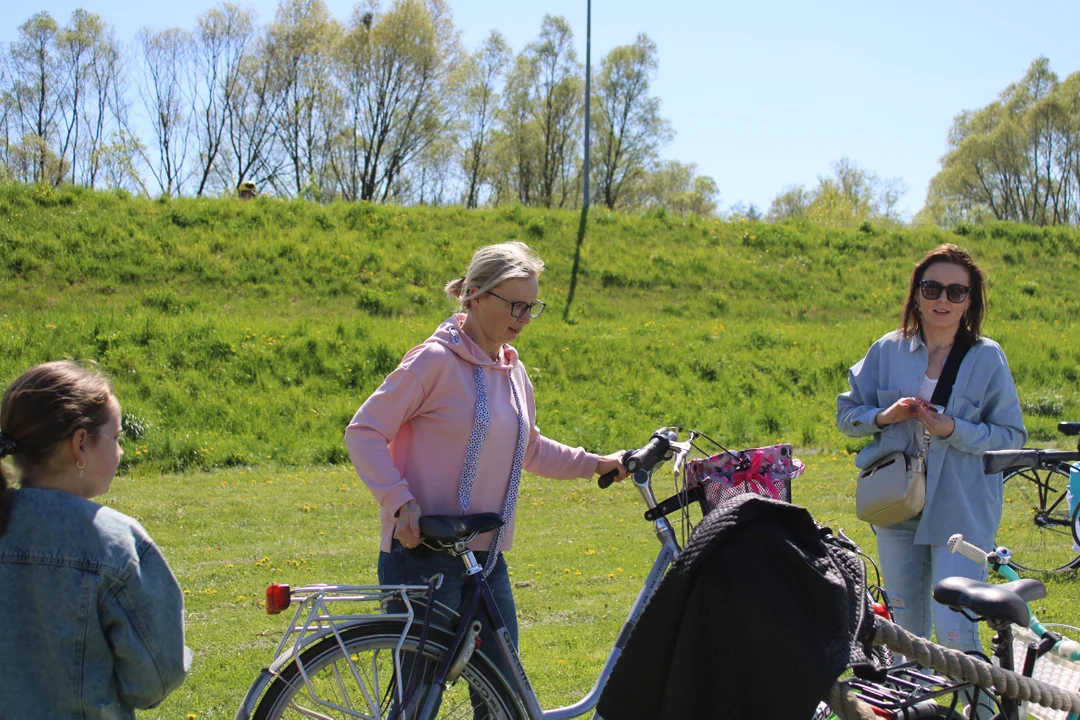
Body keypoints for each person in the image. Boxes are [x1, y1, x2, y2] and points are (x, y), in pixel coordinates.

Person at [345, 241, 627, 673]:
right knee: (418, 696)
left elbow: (528, 447)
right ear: (475, 294)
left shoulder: (514, 372)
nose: (524, 318)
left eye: (532, 307)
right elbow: (364, 431)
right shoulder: (433, 361)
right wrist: (399, 501)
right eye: (516, 305)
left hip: (485, 560)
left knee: (505, 693)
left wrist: (596, 463)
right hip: (422, 556)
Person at [837, 244, 1025, 717]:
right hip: (895, 504)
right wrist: (884, 415)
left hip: (961, 509)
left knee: (956, 628)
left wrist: (953, 430)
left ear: (970, 300)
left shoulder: (987, 358)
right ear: (917, 295)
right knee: (903, 630)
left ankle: (982, 713)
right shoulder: (886, 350)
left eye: (956, 290)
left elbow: (1011, 435)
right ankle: (912, 714)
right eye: (932, 287)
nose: (943, 298)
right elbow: (847, 414)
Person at [0, 361, 190, 718]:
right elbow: (153, 679)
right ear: (80, 444)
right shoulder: (114, 543)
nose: (120, 452)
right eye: (116, 438)